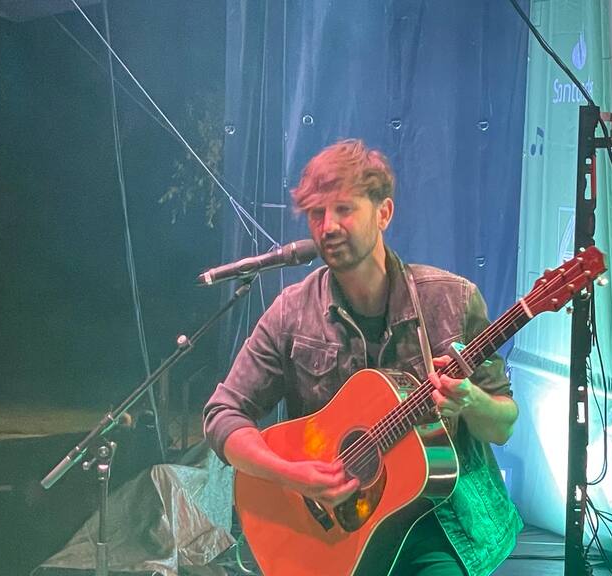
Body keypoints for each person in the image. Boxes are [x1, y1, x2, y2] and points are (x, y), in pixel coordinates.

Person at [203, 139, 522, 575]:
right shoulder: (292, 312)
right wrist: (289, 474)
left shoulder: (451, 300)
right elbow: (222, 415)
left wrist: (470, 401)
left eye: (344, 209)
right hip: (333, 535)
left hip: (437, 524)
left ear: (383, 213)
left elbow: (502, 426)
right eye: (317, 213)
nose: (328, 226)